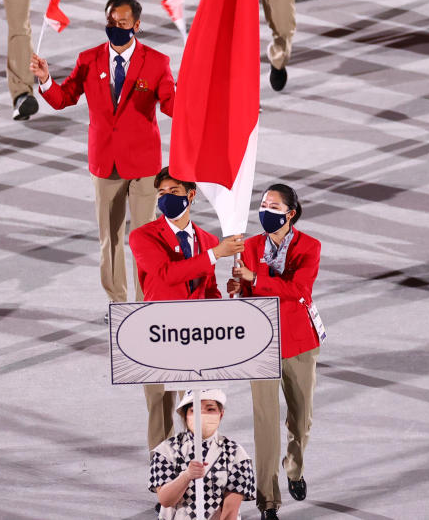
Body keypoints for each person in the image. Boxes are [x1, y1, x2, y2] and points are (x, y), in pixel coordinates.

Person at [29, 0, 175, 305]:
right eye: (110, 22)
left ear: (137, 25)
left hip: (144, 165)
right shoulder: (89, 59)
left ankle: (146, 302)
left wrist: (189, 92)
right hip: (105, 164)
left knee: (144, 240)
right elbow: (64, 97)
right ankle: (119, 303)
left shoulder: (157, 62)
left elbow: (172, 107)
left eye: (122, 23)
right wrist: (45, 80)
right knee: (110, 239)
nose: (116, 28)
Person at [129, 169, 245, 450]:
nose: (166, 198)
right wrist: (215, 254)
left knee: (197, 408)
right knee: (160, 408)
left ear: (191, 196)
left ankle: (199, 476)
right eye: (162, 193)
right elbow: (167, 274)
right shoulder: (142, 236)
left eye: (174, 192)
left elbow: (209, 290)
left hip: (195, 336)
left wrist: (225, 306)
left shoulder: (206, 239)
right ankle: (162, 476)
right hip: (159, 333)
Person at [229, 184, 322, 520]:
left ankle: (294, 467)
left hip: (299, 342)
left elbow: (300, 289)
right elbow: (243, 291)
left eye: (273, 205)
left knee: (301, 419)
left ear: (290, 213)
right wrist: (237, 287)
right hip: (261, 343)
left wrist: (257, 277)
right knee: (264, 422)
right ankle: (268, 499)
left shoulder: (310, 247)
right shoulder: (249, 246)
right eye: (263, 204)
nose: (266, 210)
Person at [149, 389, 256, 520]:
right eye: (194, 410)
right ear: (186, 415)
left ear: (220, 414)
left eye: (210, 409)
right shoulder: (166, 450)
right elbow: (165, 500)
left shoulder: (236, 454)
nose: (203, 415)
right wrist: (186, 476)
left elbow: (230, 512)